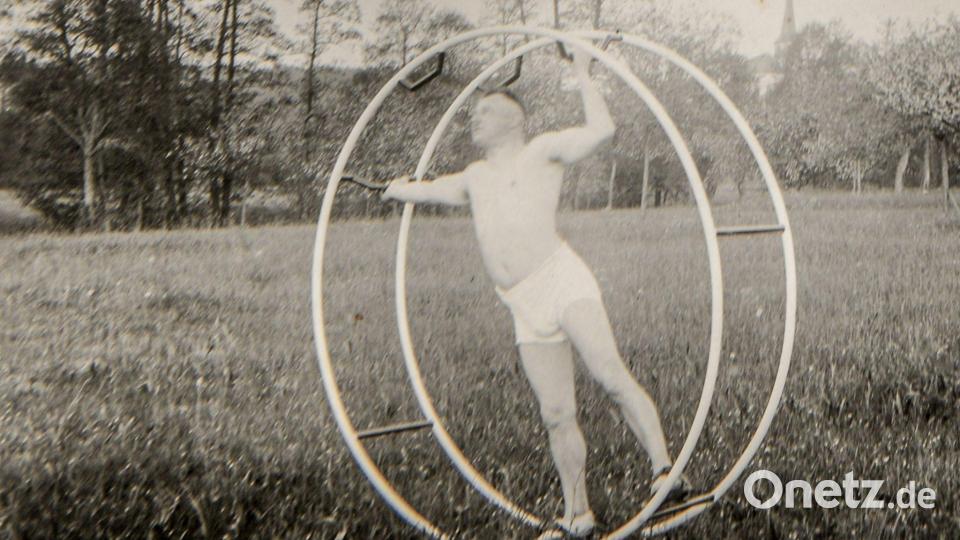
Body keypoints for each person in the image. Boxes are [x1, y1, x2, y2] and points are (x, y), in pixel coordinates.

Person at [381, 48, 688, 537]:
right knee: (556, 412)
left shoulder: (542, 151)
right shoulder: (476, 177)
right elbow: (432, 189)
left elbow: (601, 131)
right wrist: (398, 189)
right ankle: (578, 515)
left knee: (608, 374)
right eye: (473, 114)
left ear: (512, 120)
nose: (473, 121)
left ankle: (665, 472)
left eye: (484, 113)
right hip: (521, 302)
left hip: (561, 280)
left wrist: (584, 74)